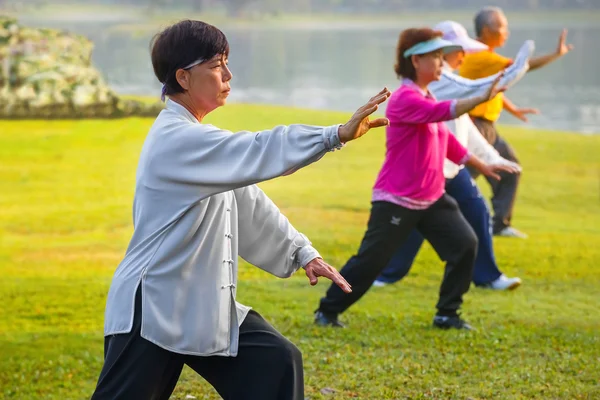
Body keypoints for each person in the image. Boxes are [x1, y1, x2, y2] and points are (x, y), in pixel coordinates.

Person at [90, 20, 392, 400]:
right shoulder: (177, 139)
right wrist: (334, 135)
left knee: (276, 363)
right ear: (184, 77)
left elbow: (246, 202)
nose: (228, 75)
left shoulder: (196, 142)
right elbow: (258, 149)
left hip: (199, 303)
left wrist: (302, 253)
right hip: (150, 306)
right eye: (217, 65)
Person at [313, 27, 519, 332]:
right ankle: (327, 311)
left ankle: (447, 314)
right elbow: (444, 112)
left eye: (441, 55)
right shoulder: (405, 99)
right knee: (371, 262)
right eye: (435, 56)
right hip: (397, 198)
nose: (441, 62)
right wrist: (481, 95)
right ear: (415, 61)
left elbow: (445, 139)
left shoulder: (426, 94)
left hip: (432, 197)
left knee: (464, 245)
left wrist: (482, 164)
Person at [374, 21, 533, 290]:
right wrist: (516, 71)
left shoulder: (439, 80)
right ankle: (384, 275)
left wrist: (490, 160)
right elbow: (472, 95)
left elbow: (463, 132)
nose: (464, 57)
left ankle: (487, 277)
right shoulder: (439, 83)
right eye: (459, 51)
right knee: (413, 227)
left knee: (476, 212)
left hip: (451, 168)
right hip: (427, 171)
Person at [459, 6, 574, 238]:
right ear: (486, 29)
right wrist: (555, 55)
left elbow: (491, 89)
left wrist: (513, 109)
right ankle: (432, 217)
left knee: (509, 169)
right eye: (502, 27)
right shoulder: (480, 56)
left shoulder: (484, 56)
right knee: (459, 178)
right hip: (475, 126)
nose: (507, 33)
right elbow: (521, 68)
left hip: (486, 126)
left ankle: (499, 225)